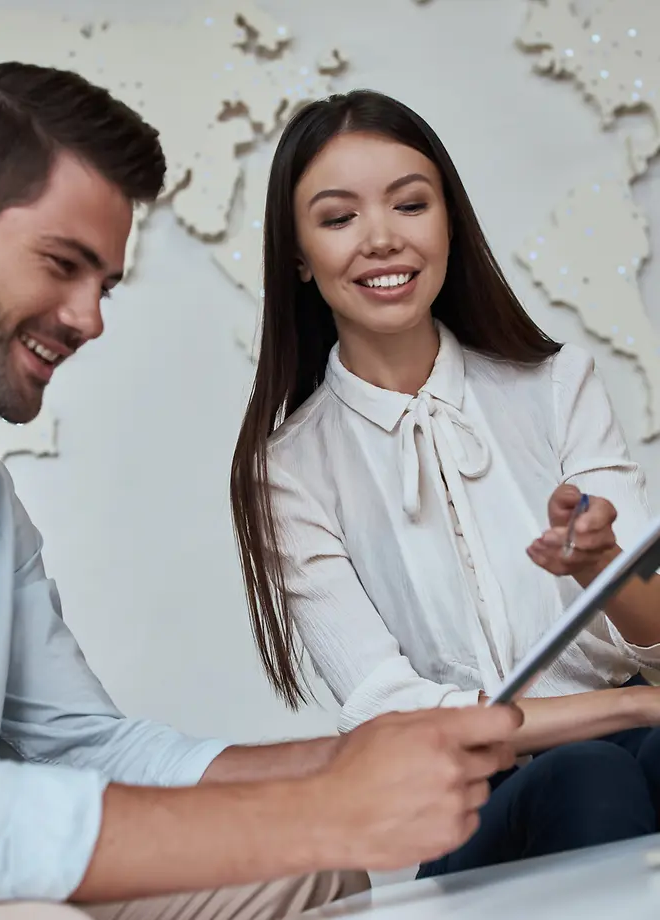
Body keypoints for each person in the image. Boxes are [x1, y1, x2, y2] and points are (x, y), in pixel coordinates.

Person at [0, 64, 526, 920]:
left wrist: (348, 768)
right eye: (62, 263)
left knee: (311, 872)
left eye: (105, 284)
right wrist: (315, 810)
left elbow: (83, 745)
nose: (90, 318)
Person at [230, 88, 660, 878]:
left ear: (448, 222)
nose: (382, 239)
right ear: (297, 254)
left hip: (638, 738)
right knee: (592, 771)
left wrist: (601, 566)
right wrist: (632, 703)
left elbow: (657, 645)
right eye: (338, 218)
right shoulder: (286, 471)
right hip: (461, 802)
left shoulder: (557, 383)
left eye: (409, 205)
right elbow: (388, 711)